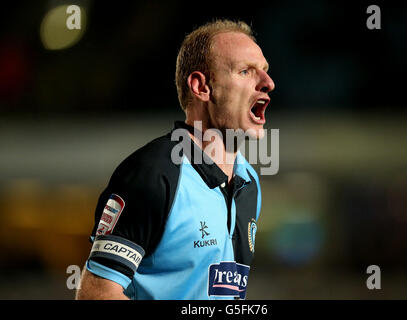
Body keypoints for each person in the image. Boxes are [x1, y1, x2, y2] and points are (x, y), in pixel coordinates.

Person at [75, 19, 275, 300]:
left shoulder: (249, 181)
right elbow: (96, 294)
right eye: (245, 71)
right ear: (201, 87)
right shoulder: (153, 173)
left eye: (264, 72)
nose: (268, 83)